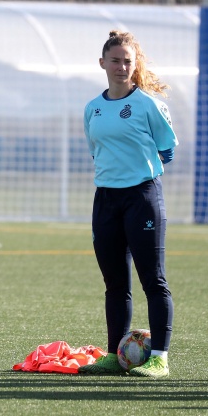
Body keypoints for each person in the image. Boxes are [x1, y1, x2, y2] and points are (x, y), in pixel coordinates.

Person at [79, 30, 177, 378]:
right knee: (115, 283)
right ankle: (112, 354)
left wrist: (141, 172)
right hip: (105, 199)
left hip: (142, 197)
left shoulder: (148, 104)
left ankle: (159, 358)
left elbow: (167, 149)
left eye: (128, 61)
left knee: (153, 279)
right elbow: (97, 151)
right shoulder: (92, 108)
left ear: (136, 66)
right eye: (116, 60)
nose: (122, 66)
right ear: (102, 63)